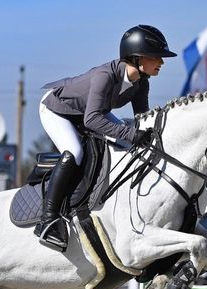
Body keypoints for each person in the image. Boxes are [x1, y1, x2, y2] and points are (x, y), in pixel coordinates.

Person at [35, 25, 177, 252]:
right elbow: (92, 120)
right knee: (75, 151)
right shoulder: (105, 76)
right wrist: (131, 134)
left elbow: (142, 119)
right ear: (137, 57)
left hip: (90, 111)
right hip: (57, 109)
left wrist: (157, 136)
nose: (162, 62)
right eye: (157, 57)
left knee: (127, 144)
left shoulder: (142, 82)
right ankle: (48, 219)